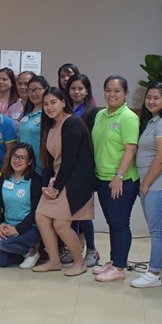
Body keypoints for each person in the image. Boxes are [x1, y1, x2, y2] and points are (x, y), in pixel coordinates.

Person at [31, 87, 96, 277]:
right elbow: (49, 160)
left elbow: (70, 160)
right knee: (41, 217)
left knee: (60, 224)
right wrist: (46, 185)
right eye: (45, 104)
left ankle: (79, 262)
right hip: (59, 179)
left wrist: (57, 187)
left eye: (53, 102)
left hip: (75, 181)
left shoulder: (72, 123)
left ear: (63, 103)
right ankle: (54, 260)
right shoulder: (50, 126)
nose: (49, 107)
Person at [91, 75, 140, 283]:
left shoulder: (128, 117)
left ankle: (120, 267)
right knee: (112, 222)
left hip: (121, 180)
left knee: (120, 223)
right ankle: (113, 261)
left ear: (126, 93)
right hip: (102, 178)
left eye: (117, 90)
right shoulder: (101, 114)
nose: (112, 94)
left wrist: (119, 176)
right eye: (108, 90)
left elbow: (131, 148)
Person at [131, 83, 162, 288]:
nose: (151, 101)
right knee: (161, 228)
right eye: (148, 97)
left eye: (156, 98)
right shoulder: (152, 121)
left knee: (157, 230)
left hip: (158, 183)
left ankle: (154, 272)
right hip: (151, 182)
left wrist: (146, 183)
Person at [66, 73, 101, 268]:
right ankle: (74, 249)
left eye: (80, 88)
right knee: (71, 210)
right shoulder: (66, 109)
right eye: (73, 88)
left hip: (84, 167)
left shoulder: (92, 112)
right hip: (68, 166)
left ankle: (92, 250)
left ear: (87, 90)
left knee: (84, 212)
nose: (77, 91)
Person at [0, 143, 42, 268]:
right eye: (15, 156)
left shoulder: (35, 180)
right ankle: (23, 252)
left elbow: (36, 211)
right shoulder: (4, 177)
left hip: (30, 228)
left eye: (22, 158)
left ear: (29, 162)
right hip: (8, 225)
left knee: (0, 242)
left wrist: (18, 229)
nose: (17, 160)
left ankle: (32, 252)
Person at [17, 75, 48, 174]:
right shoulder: (28, 111)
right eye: (30, 90)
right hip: (25, 164)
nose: (33, 94)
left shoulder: (47, 112)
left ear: (46, 90)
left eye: (37, 90)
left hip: (41, 165)